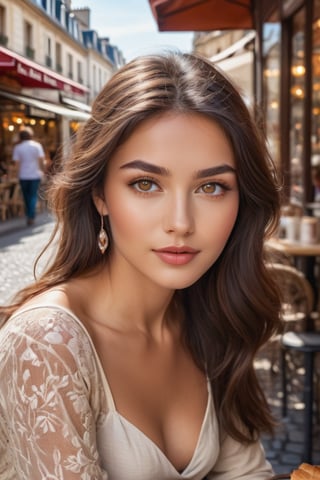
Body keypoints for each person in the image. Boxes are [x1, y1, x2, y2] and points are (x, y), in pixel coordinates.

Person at [0, 52, 282, 479]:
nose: (181, 223)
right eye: (146, 184)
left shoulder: (208, 314)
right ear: (99, 194)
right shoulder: (46, 344)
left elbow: (249, 473)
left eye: (211, 187)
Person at [12, 126, 45, 226]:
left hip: (23, 175)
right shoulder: (37, 146)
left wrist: (17, 174)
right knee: (33, 195)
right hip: (35, 174)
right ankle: (31, 215)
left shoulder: (18, 148)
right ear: (31, 135)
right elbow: (41, 160)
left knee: (26, 196)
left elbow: (17, 164)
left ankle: (30, 214)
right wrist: (42, 171)